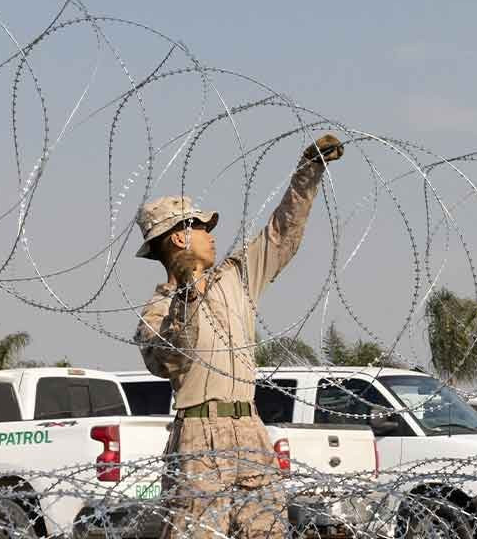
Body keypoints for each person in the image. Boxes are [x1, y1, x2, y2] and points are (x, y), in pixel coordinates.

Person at [135, 134, 343, 539]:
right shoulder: (157, 311)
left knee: (267, 532)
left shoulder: (236, 277)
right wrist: (187, 292)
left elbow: (282, 234)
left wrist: (309, 171)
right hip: (198, 434)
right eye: (201, 226)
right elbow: (169, 361)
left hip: (249, 427)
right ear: (179, 237)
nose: (212, 234)